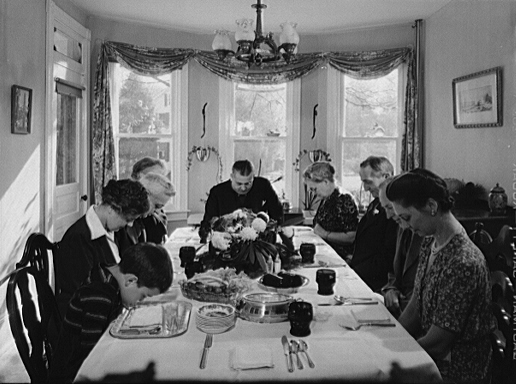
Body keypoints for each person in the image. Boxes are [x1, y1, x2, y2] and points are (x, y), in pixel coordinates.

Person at [386, 168, 495, 383]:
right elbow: (417, 302)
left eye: (407, 218)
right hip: (433, 354)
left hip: (457, 370)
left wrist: (392, 354)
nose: (406, 227)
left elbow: (440, 342)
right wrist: (393, 338)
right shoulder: (431, 240)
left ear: (432, 206)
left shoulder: (462, 261)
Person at [48, 242, 173, 383]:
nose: (139, 302)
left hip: (86, 361)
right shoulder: (100, 296)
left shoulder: (109, 275)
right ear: (131, 280)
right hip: (72, 375)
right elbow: (93, 357)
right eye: (143, 296)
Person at [55, 179, 150, 316]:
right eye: (128, 219)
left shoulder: (115, 230)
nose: (130, 225)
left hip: (110, 308)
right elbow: (86, 295)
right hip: (85, 318)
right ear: (112, 209)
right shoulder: (79, 239)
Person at [199, 159, 283, 242]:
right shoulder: (217, 192)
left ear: (253, 177)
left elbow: (277, 213)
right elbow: (207, 223)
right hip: (226, 242)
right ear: (232, 177)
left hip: (258, 242)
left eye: (247, 183)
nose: (243, 188)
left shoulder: (263, 186)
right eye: (239, 183)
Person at [348, 156, 398, 292]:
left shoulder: (395, 210)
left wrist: (354, 272)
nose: (365, 188)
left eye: (368, 182)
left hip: (376, 283)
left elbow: (388, 257)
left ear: (386, 176)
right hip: (361, 276)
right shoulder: (375, 203)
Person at [378, 177, 423, 318]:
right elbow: (395, 271)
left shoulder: (426, 232)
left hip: (415, 314)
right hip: (401, 309)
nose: (388, 215)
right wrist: (390, 289)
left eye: (390, 208)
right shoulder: (402, 228)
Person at [302, 161, 358, 258]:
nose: (313, 193)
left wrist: (325, 234)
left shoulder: (344, 199)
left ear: (326, 182)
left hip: (341, 257)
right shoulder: (326, 198)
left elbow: (352, 236)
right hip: (327, 253)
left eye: (314, 189)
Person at [116, 172, 176, 254]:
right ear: (145, 195)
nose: (154, 212)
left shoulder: (147, 220)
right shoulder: (119, 221)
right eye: (156, 206)